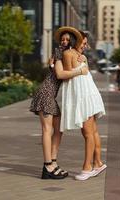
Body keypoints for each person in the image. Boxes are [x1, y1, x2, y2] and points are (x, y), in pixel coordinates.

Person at [30, 27, 88, 179]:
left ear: (72, 41)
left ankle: (53, 163)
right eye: (62, 39)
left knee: (58, 129)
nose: (64, 41)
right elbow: (61, 74)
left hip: (51, 96)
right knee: (47, 130)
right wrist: (80, 70)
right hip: (46, 94)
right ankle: (47, 166)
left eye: (67, 39)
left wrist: (83, 60)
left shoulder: (69, 54)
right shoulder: (59, 53)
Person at [60, 30, 107, 181]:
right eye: (84, 43)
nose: (85, 46)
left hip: (84, 97)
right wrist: (82, 69)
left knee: (88, 133)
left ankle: (87, 168)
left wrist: (80, 69)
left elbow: (66, 75)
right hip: (88, 95)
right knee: (92, 131)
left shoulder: (71, 55)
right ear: (77, 40)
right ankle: (98, 163)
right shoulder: (75, 55)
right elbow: (76, 72)